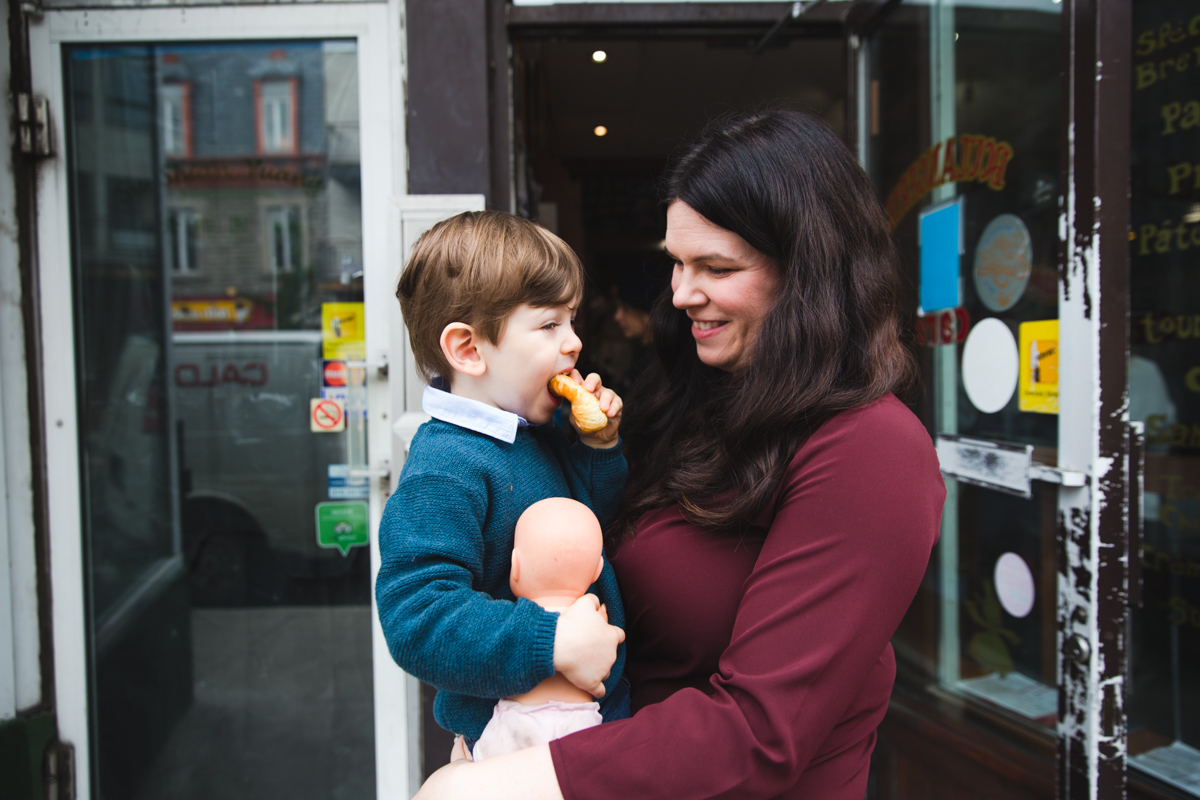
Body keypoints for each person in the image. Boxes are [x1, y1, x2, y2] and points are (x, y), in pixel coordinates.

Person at [414, 109, 946, 800]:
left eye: (716, 267)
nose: (681, 293)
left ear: (808, 273)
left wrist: (488, 786)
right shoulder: (698, 399)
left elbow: (760, 733)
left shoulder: (873, 448)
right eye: (677, 262)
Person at [375, 211, 630, 762]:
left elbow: (590, 531)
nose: (574, 343)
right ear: (468, 349)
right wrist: (552, 640)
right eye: (549, 325)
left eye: (572, 321)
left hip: (584, 729)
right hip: (511, 747)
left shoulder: (535, 433)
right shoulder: (446, 466)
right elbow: (417, 617)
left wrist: (598, 447)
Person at [473, 498, 608, 761]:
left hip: (517, 722)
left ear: (516, 565)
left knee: (481, 775)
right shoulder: (596, 619)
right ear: (597, 570)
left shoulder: (511, 621)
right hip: (581, 723)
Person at [612, 254, 672, 393]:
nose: (617, 316)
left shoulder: (661, 363)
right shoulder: (643, 354)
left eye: (626, 308)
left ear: (647, 308)